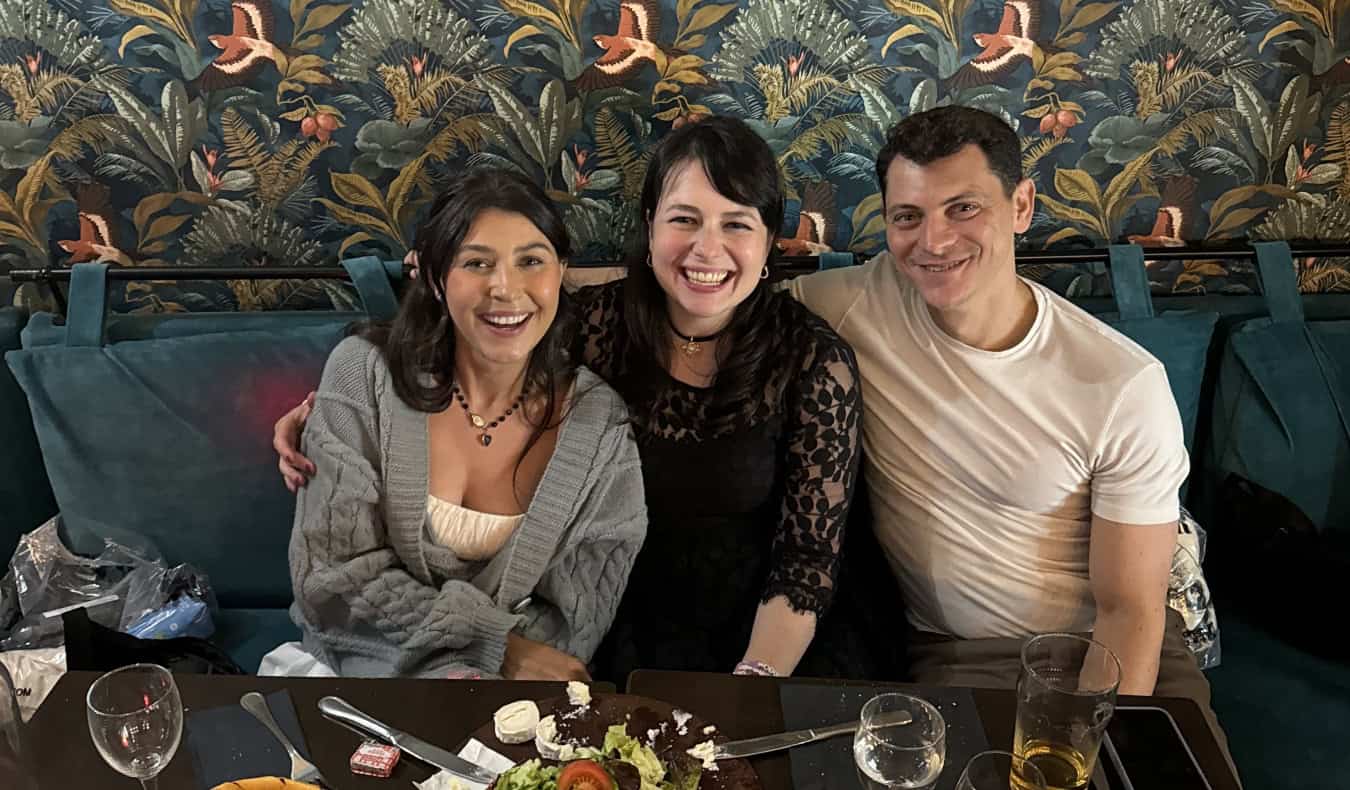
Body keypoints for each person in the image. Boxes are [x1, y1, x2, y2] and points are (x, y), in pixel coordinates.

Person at [275, 117, 866, 682]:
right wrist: (329, 413)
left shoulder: (813, 361)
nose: (706, 249)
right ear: (650, 226)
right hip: (619, 629)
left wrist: (754, 680)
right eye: (684, 219)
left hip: (757, 632)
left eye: (736, 225)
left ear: (770, 242)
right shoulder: (589, 324)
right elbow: (483, 327)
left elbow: (806, 559)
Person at [788, 106, 1227, 742]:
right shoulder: (850, 306)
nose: (934, 241)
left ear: (1021, 205)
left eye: (963, 208)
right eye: (908, 216)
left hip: (1111, 652)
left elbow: (1128, 610)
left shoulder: (1121, 384)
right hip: (959, 656)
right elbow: (715, 305)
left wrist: (1086, 744)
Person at [262, 168, 647, 680]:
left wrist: (484, 681)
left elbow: (577, 617)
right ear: (435, 279)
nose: (505, 288)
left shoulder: (599, 425)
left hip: (512, 700)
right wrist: (493, 648)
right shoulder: (363, 376)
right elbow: (333, 580)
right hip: (358, 671)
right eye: (476, 263)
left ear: (560, 272)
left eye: (531, 261)